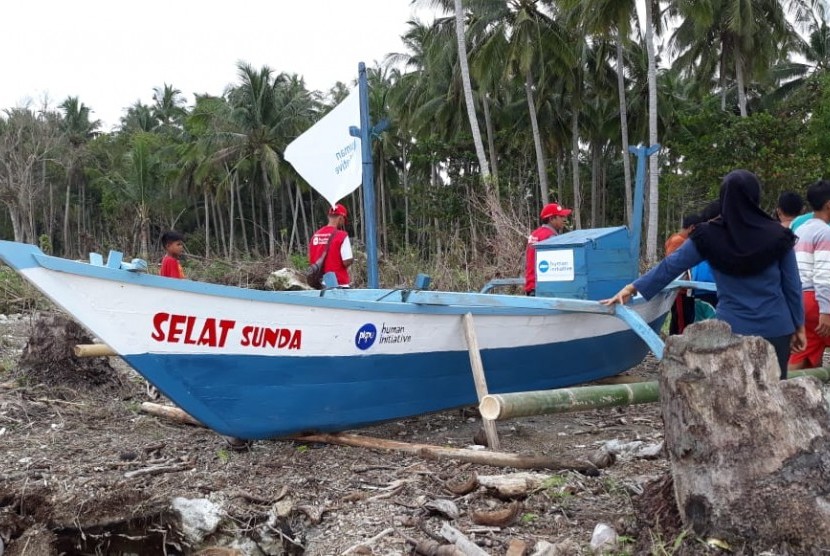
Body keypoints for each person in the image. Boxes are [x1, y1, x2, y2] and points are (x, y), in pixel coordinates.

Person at [602, 170, 805, 379]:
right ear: (756, 197)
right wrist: (799, 325)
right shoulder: (779, 236)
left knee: (733, 397)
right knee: (772, 396)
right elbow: (792, 285)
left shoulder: (709, 235)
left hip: (731, 331)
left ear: (723, 197)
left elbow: (670, 266)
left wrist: (631, 288)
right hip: (777, 329)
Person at [789, 180, 830, 371]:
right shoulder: (824, 233)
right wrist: (826, 310)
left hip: (800, 299)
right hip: (818, 301)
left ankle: (786, 390)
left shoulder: (800, 230)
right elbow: (824, 274)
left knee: (805, 352)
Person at [664, 213, 705, 334]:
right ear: (692, 228)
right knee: (681, 325)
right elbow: (674, 266)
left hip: (685, 290)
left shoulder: (677, 239)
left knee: (681, 322)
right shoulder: (679, 241)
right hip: (680, 291)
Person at [524, 202, 572, 296]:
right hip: (543, 289)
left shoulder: (535, 234)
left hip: (532, 286)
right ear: (551, 219)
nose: (564, 219)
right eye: (561, 216)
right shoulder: (550, 237)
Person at [309, 203, 353, 287]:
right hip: (338, 283)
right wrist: (352, 260)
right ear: (340, 218)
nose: (343, 223)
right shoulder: (342, 236)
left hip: (319, 285)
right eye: (344, 220)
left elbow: (312, 260)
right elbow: (346, 261)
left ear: (329, 217)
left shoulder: (315, 235)